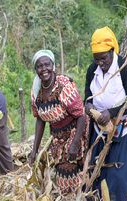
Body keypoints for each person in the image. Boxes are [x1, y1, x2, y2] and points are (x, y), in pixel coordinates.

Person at [84, 27, 127, 201]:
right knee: (98, 172)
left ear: (112, 51)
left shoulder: (124, 67)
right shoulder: (92, 69)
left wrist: (111, 112)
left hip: (125, 129)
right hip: (101, 130)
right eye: (97, 58)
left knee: (120, 173)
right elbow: (87, 97)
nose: (101, 63)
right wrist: (89, 107)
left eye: (105, 58)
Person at [28, 50, 89, 193]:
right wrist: (34, 150)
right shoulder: (37, 91)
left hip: (76, 132)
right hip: (58, 138)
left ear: (53, 65)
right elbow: (40, 120)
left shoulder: (63, 85)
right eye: (39, 66)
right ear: (35, 69)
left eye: (46, 65)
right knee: (63, 177)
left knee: (77, 173)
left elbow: (81, 115)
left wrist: (75, 143)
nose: (44, 69)